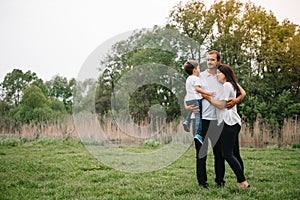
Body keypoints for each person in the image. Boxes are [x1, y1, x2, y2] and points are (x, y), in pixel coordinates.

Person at [185, 50, 246, 189]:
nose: (209, 62)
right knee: (201, 153)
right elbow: (189, 92)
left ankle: (220, 181)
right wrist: (187, 106)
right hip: (201, 119)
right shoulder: (199, 76)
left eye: (212, 60)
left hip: (218, 121)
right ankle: (202, 183)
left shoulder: (223, 77)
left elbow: (241, 91)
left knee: (219, 153)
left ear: (218, 61)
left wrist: (236, 100)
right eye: (208, 60)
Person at [204, 64, 250, 188]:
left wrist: (207, 97)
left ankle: (243, 181)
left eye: (219, 73)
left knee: (227, 154)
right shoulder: (232, 84)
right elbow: (243, 93)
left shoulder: (226, 85)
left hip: (227, 122)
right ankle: (241, 180)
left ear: (225, 74)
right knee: (235, 153)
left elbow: (221, 105)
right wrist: (236, 99)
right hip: (235, 122)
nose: (218, 75)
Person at [182, 60, 215, 144]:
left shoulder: (188, 79)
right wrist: (207, 93)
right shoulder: (196, 78)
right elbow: (197, 89)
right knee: (198, 117)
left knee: (194, 109)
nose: (199, 69)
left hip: (190, 99)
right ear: (194, 70)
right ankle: (198, 134)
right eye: (198, 68)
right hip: (196, 99)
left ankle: (187, 121)